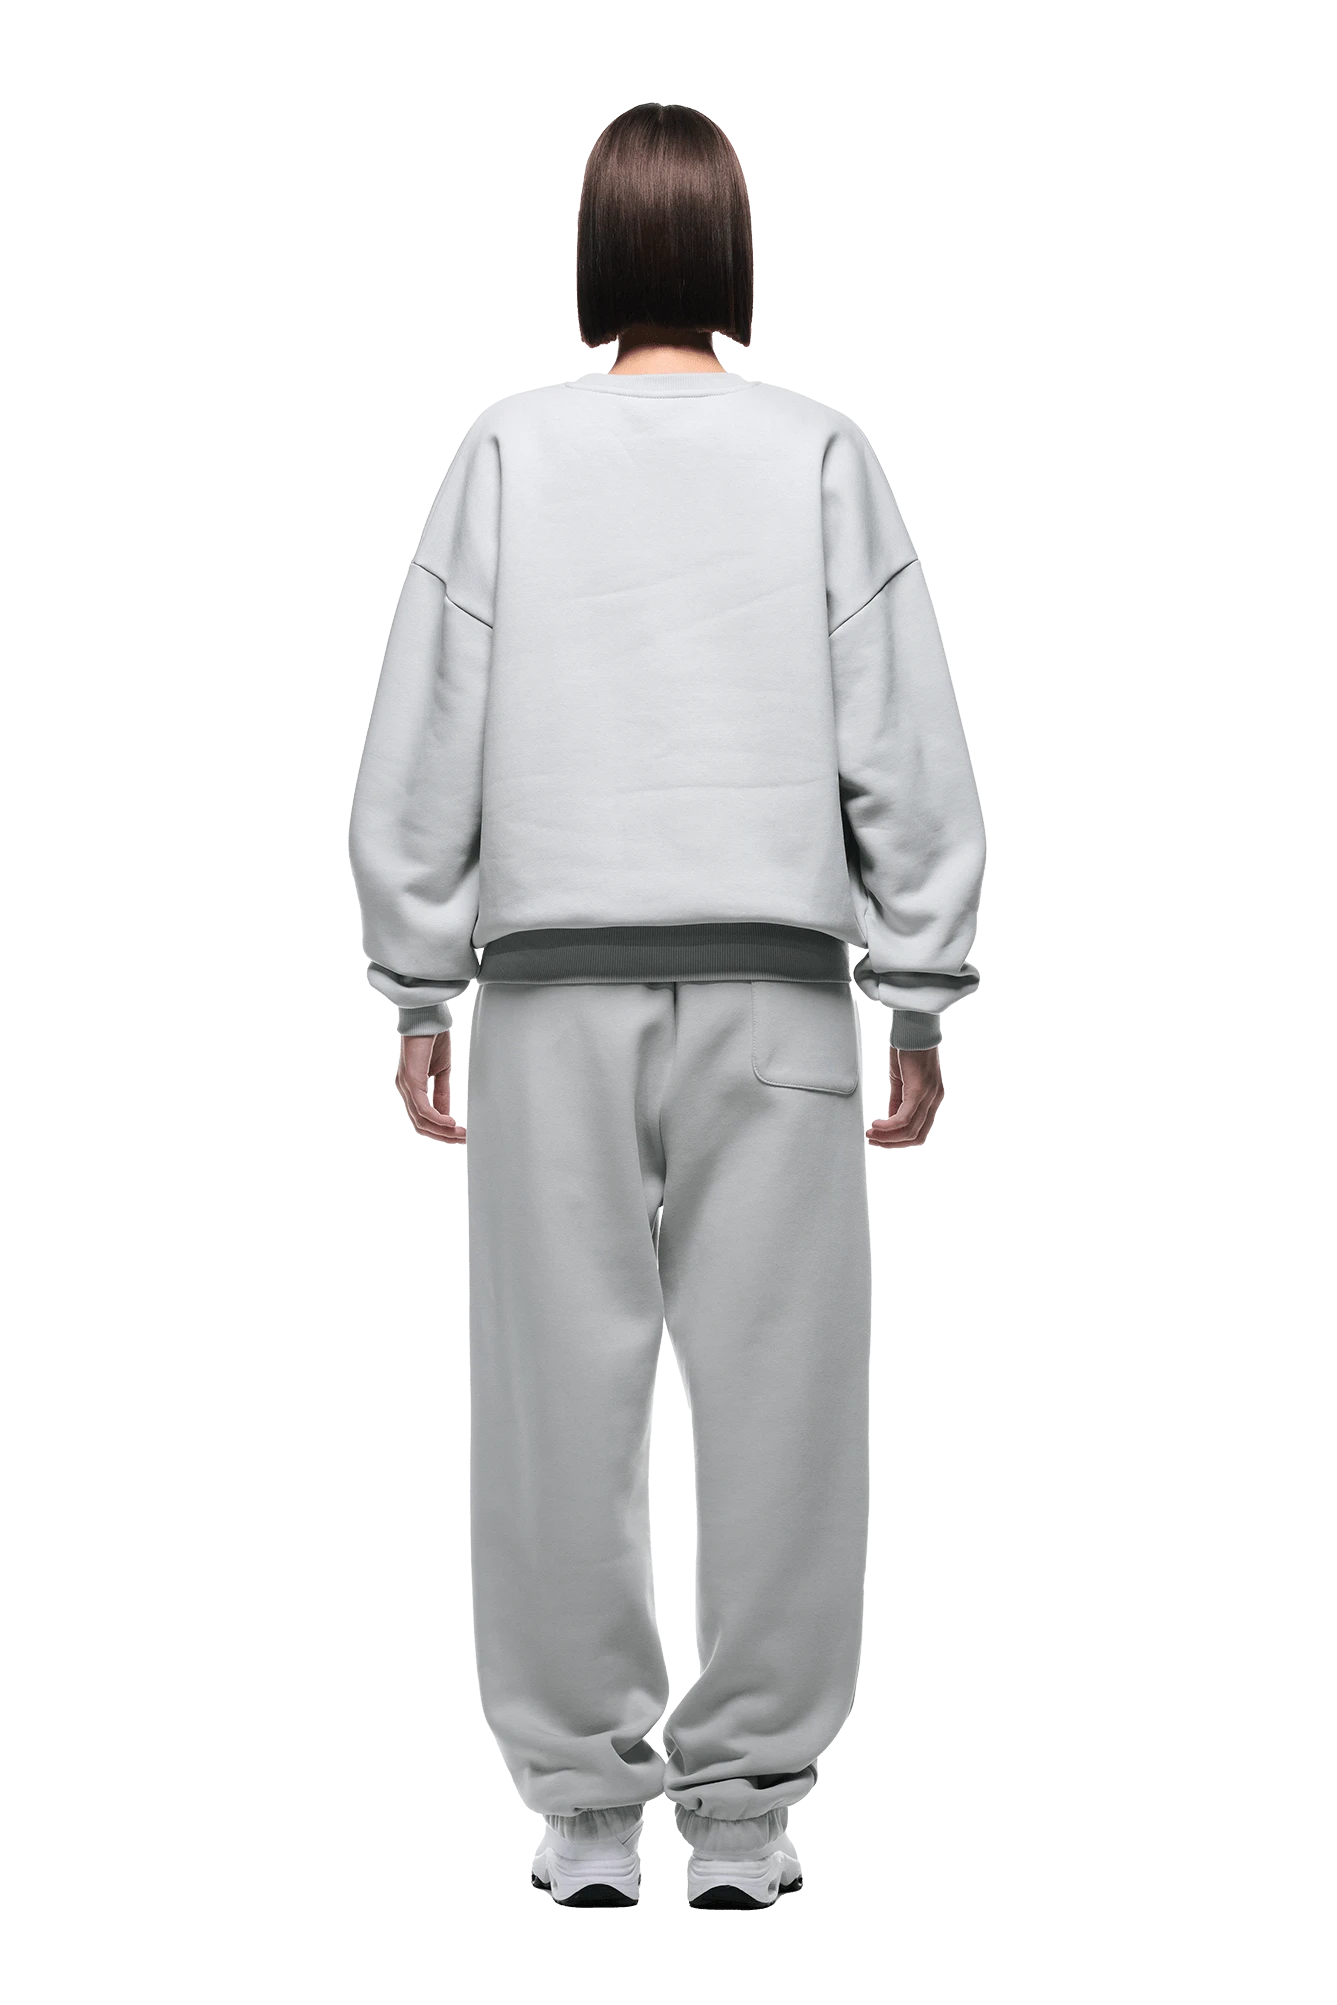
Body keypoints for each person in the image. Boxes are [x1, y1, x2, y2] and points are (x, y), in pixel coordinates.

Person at [347, 101, 985, 1910]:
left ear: (590, 255)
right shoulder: (823, 453)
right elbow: (903, 734)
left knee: (552, 1403)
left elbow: (426, 727)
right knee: (785, 1409)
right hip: (781, 997)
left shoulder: (506, 452)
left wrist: (417, 977)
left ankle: (579, 1814)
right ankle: (751, 1820)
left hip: (549, 995)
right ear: (735, 254)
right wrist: (920, 989)